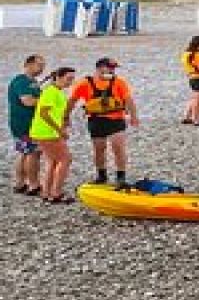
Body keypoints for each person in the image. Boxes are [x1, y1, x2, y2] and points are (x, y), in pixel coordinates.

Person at [70, 58, 139, 188]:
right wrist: (66, 116)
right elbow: (72, 100)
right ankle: (101, 176)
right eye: (110, 67)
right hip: (96, 120)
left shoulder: (119, 82)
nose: (113, 70)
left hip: (116, 119)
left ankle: (121, 177)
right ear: (100, 68)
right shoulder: (85, 83)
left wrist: (134, 116)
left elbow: (129, 100)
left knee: (118, 147)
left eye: (114, 68)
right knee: (99, 149)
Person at [30, 66, 78, 203]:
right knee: (65, 159)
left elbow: (55, 112)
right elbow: (44, 113)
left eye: (72, 79)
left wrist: (64, 122)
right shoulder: (51, 92)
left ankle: (47, 192)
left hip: (44, 132)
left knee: (53, 161)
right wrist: (59, 129)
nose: (70, 82)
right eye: (68, 78)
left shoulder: (57, 91)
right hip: (47, 133)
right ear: (58, 77)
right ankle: (56, 193)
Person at [7, 55, 45, 196]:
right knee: (32, 153)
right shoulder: (21, 82)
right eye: (39, 65)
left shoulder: (32, 82)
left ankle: (20, 183)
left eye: (43, 66)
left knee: (23, 152)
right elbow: (27, 101)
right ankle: (33, 184)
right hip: (25, 124)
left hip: (23, 123)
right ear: (28, 64)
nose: (42, 69)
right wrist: (46, 100)